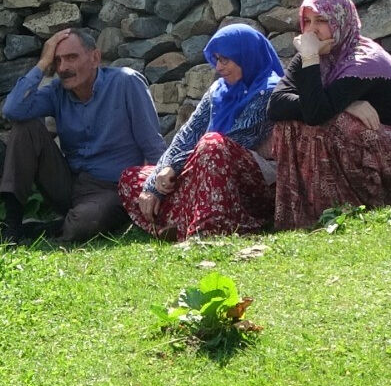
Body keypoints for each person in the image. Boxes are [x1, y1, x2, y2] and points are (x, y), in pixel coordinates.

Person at [265, 0, 391, 230]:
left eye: (321, 20)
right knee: (289, 123)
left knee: (334, 122)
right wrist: (346, 104)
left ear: (341, 19)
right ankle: (309, 213)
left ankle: (354, 204)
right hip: (369, 141)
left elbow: (317, 114)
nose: (312, 30)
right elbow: (276, 106)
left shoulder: (364, 59)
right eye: (307, 21)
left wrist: (312, 61)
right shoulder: (312, 54)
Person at [117, 24, 283, 241]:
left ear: (246, 56)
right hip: (201, 168)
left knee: (213, 145)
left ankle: (209, 230)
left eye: (225, 60)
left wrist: (175, 168)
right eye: (216, 60)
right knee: (131, 177)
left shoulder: (269, 91)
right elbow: (187, 134)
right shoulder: (217, 91)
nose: (219, 68)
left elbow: (238, 139)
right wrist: (159, 177)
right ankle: (183, 223)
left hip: (249, 180)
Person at [1, 28, 165, 243]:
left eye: (71, 57)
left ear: (95, 57)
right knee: (25, 128)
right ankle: (12, 226)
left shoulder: (126, 83)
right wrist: (43, 62)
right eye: (57, 60)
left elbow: (153, 145)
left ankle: (53, 227)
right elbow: (13, 110)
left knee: (84, 222)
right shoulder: (57, 91)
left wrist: (157, 195)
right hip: (70, 183)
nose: (63, 68)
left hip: (112, 189)